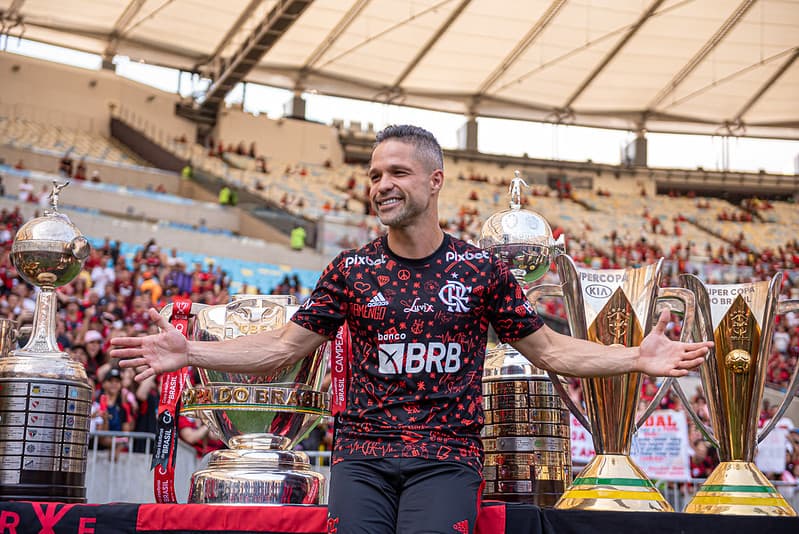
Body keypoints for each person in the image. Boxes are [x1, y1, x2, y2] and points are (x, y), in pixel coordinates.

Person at [111, 125, 712, 534]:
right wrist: (190, 349)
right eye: (374, 175)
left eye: (397, 172)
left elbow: (551, 349)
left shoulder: (482, 269)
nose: (381, 185)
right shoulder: (352, 269)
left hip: (444, 461)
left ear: (435, 181)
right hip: (361, 460)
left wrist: (638, 356)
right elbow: (283, 345)